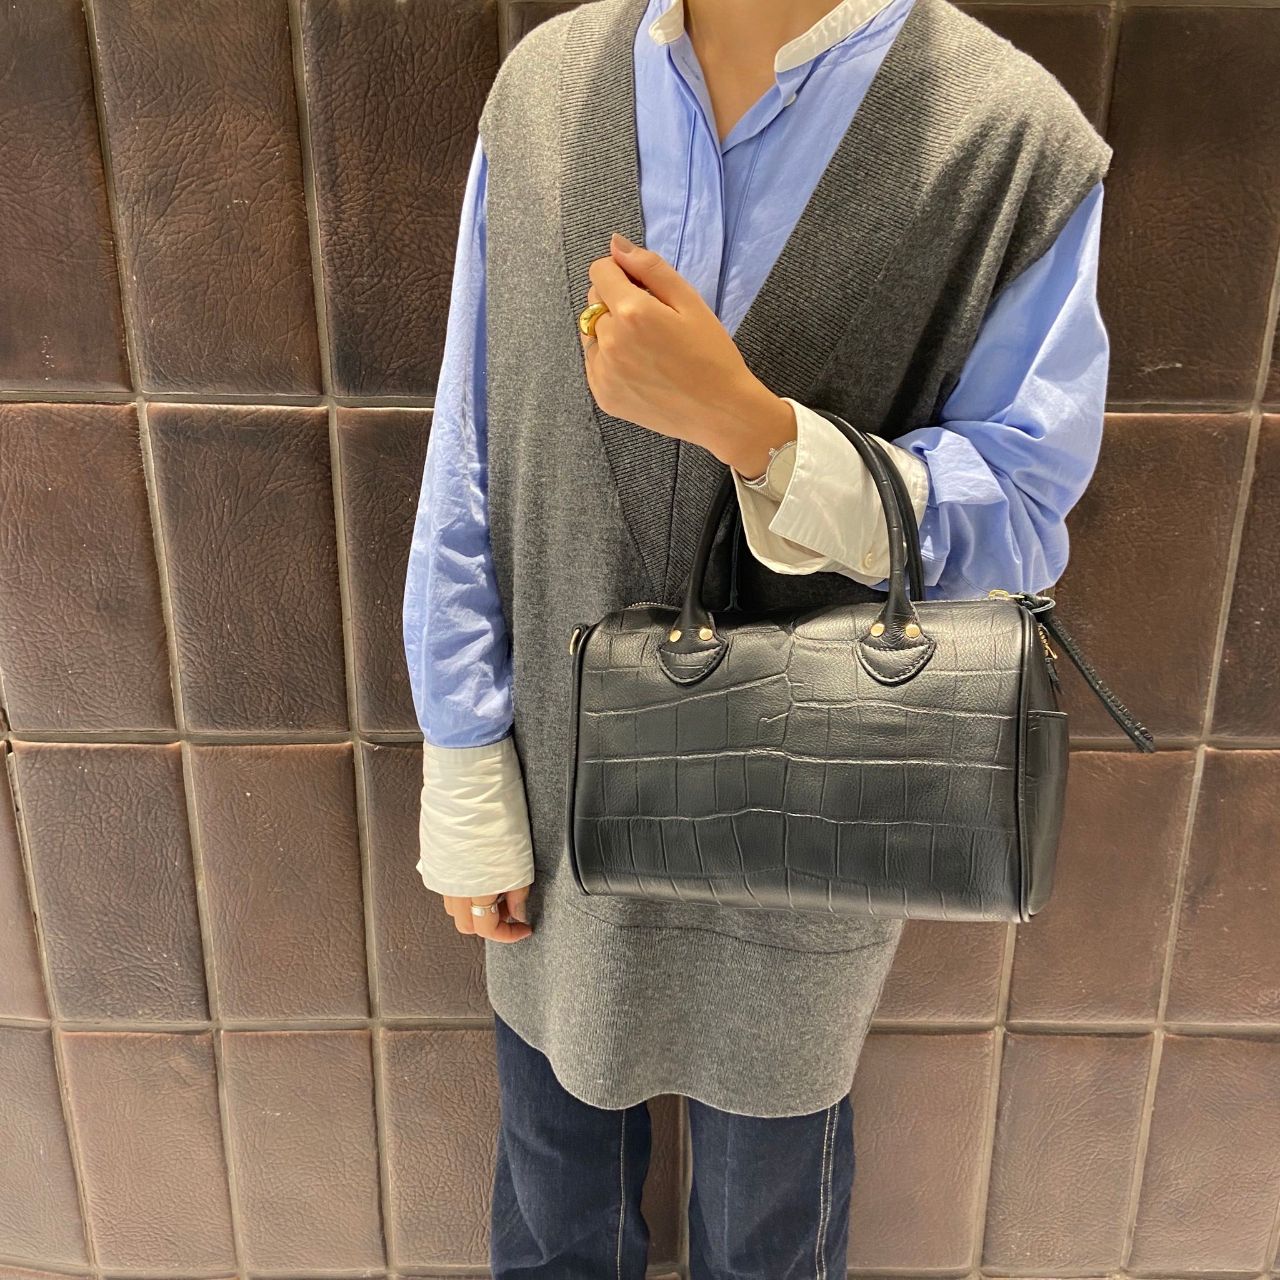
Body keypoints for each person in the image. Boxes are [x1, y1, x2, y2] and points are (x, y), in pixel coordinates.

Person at [401, 0, 1112, 1272]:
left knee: (768, 1231)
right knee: (552, 1214)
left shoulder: (1006, 139)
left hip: (810, 802)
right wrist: (461, 749)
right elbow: (474, 449)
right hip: (552, 797)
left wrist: (758, 432)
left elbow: (1017, 517)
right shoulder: (546, 87)